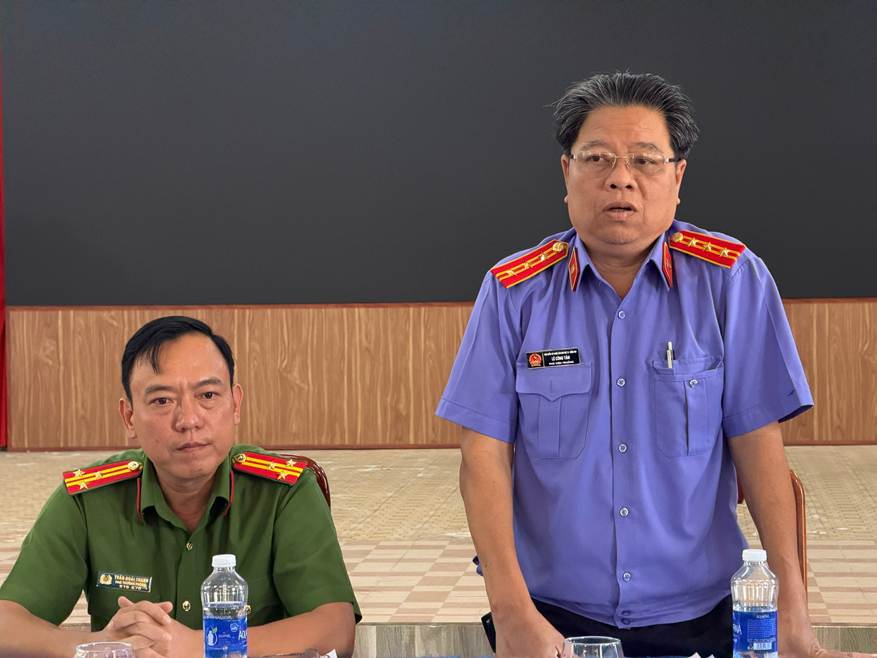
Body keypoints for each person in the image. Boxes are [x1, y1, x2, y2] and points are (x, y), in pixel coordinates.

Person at [437, 72, 869, 658]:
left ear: (677, 177)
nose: (621, 178)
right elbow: (482, 454)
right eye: (597, 158)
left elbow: (760, 447)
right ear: (566, 173)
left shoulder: (730, 279)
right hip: (551, 620)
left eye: (644, 160)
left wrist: (789, 615)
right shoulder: (514, 290)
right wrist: (513, 613)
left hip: (702, 617)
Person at [0, 316, 359, 658]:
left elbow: (334, 628)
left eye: (208, 395)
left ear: (236, 404)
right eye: (162, 401)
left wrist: (200, 647)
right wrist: (100, 647)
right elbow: (6, 624)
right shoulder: (88, 500)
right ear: (129, 417)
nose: (188, 420)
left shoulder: (284, 491)